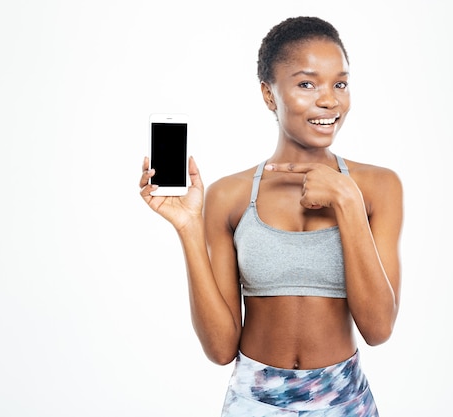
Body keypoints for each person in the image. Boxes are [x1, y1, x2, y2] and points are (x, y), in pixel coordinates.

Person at [139, 16, 403, 416]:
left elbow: (378, 329)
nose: (329, 99)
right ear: (268, 94)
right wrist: (189, 227)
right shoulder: (230, 194)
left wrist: (346, 202)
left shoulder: (377, 187)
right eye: (306, 83)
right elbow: (221, 348)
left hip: (343, 401)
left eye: (340, 83)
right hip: (252, 401)